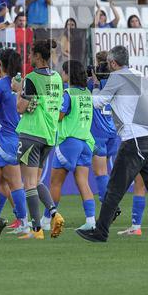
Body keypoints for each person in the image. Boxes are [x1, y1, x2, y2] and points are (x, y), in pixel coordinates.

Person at [77, 45, 148, 243]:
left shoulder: (117, 77)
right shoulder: (140, 76)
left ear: (113, 62)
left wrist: (97, 85)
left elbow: (98, 102)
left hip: (133, 139)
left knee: (114, 188)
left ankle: (100, 232)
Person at [12, 40, 65, 239]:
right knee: (35, 181)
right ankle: (54, 213)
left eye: (31, 54)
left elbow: (21, 108)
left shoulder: (31, 78)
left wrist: (18, 90)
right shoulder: (57, 78)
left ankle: (36, 230)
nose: (28, 57)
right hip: (49, 135)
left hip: (31, 132)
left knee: (29, 183)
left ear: (38, 56)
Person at [0, 49, 29, 231]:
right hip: (15, 136)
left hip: (4, 140)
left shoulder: (1, 85)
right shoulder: (19, 83)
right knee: (1, 184)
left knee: (15, 183)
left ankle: (24, 222)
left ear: (0, 64)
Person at [47, 59, 98, 231]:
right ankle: (91, 220)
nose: (62, 74)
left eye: (63, 71)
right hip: (86, 143)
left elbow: (59, 117)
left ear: (69, 74)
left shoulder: (68, 94)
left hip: (69, 142)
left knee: (55, 183)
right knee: (83, 182)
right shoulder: (87, 93)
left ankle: (46, 220)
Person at [88, 52, 119, 207]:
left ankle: (109, 205)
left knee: (100, 172)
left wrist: (92, 80)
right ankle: (110, 201)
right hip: (113, 132)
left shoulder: (92, 84)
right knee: (105, 171)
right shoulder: (116, 84)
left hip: (98, 133)